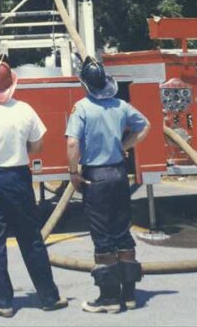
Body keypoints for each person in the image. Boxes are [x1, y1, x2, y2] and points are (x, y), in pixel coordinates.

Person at [0, 59, 68, 319]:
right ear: (10, 85)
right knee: (30, 238)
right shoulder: (24, 110)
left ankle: (4, 303)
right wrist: (20, 151)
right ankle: (49, 297)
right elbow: (38, 144)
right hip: (17, 178)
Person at [66, 57, 151, 314]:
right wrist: (123, 146)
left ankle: (109, 298)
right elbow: (145, 126)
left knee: (102, 235)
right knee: (122, 231)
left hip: (96, 176)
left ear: (85, 85)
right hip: (118, 173)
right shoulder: (121, 105)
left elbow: (72, 143)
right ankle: (131, 295)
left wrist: (73, 173)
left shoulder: (81, 108)